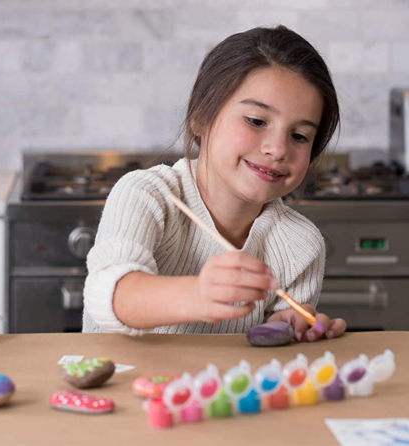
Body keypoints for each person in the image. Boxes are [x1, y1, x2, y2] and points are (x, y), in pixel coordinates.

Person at [83, 25, 346, 341]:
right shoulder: (146, 194)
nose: (277, 149)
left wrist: (283, 328)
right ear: (201, 118)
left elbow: (261, 363)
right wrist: (195, 296)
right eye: (256, 121)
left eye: (299, 136)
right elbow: (109, 291)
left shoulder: (302, 245)